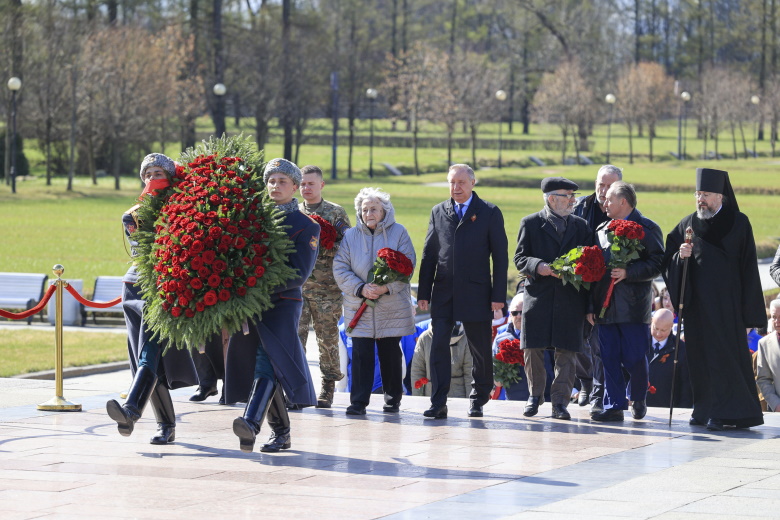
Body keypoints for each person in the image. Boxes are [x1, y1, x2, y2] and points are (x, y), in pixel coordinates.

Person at [662, 167, 765, 431]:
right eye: (698, 193)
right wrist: (679, 257)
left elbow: (750, 270)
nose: (701, 199)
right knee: (700, 359)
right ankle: (704, 408)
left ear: (720, 196)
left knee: (726, 360)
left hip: (729, 308)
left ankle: (730, 413)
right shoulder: (688, 224)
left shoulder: (739, 223)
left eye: (706, 194)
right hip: (697, 308)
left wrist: (750, 316)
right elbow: (668, 257)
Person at [228, 158, 319, 453]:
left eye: (282, 181)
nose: (275, 186)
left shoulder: (305, 226)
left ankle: (251, 422)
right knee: (264, 362)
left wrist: (256, 286)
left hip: (282, 303)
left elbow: (298, 274)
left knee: (269, 358)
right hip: (251, 303)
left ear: (295, 187)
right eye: (271, 181)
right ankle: (281, 433)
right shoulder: (253, 221)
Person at [106, 153, 198, 445]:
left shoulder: (187, 210)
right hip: (136, 286)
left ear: (172, 177)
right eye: (148, 173)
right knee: (147, 358)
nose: (153, 177)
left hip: (168, 288)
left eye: (159, 172)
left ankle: (132, 409)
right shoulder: (133, 214)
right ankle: (166, 426)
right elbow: (147, 248)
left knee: (151, 349)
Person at [417, 163, 508, 419]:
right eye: (451, 183)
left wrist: (498, 297)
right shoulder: (438, 211)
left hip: (477, 292)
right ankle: (438, 402)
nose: (455, 188)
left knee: (479, 349)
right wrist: (424, 292)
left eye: (461, 183)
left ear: (472, 183)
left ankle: (479, 396)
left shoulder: (489, 212)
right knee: (438, 348)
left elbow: (500, 258)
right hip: (444, 291)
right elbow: (429, 254)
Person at [333, 187, 416, 415]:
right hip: (359, 304)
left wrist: (385, 287)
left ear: (384, 211)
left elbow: (407, 268)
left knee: (390, 354)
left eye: (374, 209)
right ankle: (358, 402)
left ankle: (392, 400)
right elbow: (340, 268)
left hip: (391, 306)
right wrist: (361, 288)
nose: (369, 213)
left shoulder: (399, 233)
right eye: (365, 209)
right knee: (361, 355)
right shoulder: (350, 236)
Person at [514, 177, 592, 420]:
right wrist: (540, 266)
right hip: (539, 296)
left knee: (566, 352)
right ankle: (534, 396)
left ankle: (560, 402)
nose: (572, 200)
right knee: (532, 348)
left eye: (573, 196)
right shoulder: (531, 223)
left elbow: (591, 263)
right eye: (567, 196)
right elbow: (520, 259)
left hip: (570, 299)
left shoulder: (581, 226)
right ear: (551, 199)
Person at [589, 182, 664, 422]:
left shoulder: (648, 228)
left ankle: (638, 396)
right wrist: (591, 305)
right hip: (605, 305)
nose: (604, 203)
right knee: (608, 357)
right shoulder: (601, 229)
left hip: (632, 306)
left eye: (609, 199)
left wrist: (628, 272)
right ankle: (614, 405)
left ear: (623, 202)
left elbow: (657, 263)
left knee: (634, 356)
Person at [297, 164, 351, 408]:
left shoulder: (335, 213)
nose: (306, 188)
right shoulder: (294, 211)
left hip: (327, 289)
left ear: (321, 185)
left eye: (311, 183)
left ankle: (327, 389)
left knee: (327, 341)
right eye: (302, 184)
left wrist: (328, 243)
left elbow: (349, 248)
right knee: (294, 338)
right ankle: (296, 386)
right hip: (297, 289)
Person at [573, 165, 622, 412]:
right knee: (573, 340)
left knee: (599, 344)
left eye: (609, 186)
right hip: (578, 282)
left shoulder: (624, 210)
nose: (603, 191)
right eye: (600, 184)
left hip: (607, 286)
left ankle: (597, 391)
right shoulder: (579, 207)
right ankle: (584, 380)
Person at [411, 323, 473, 398]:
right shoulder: (425, 338)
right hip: (430, 398)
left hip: (458, 399)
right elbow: (417, 371)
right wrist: (418, 400)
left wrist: (469, 402)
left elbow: (470, 373)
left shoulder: (466, 338)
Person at [646, 309, 693, 409]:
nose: (658, 334)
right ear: (651, 321)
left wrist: (683, 409)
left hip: (668, 406)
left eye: (663, 330)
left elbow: (686, 385)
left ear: (671, 326)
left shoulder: (681, 349)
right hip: (640, 405)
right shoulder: (639, 343)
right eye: (656, 328)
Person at [756, 300, 780, 412]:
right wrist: (776, 405)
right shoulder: (764, 344)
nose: (777, 321)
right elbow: (763, 379)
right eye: (774, 317)